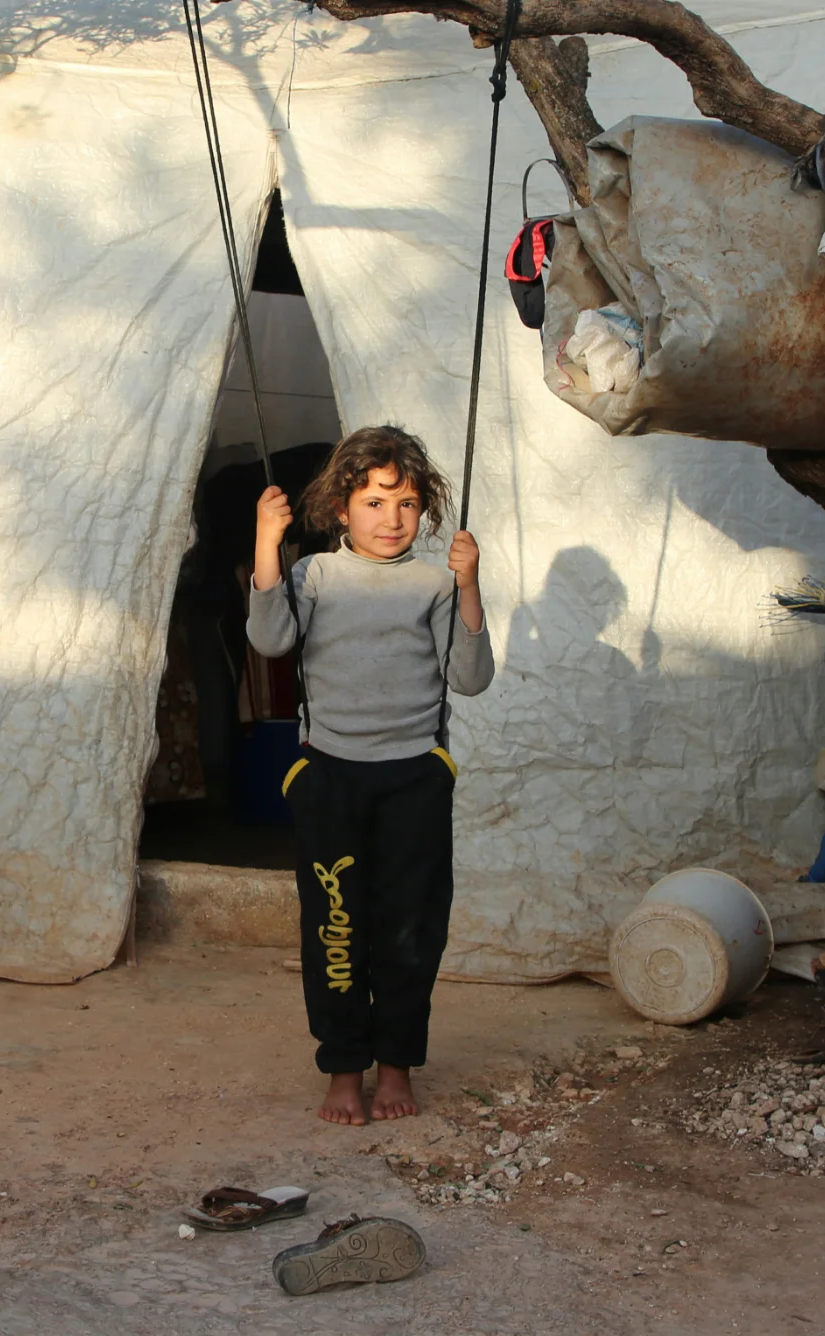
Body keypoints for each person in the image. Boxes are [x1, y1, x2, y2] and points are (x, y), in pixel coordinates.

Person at [247, 425, 495, 1126]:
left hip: (414, 778)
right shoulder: (314, 576)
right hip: (332, 778)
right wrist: (267, 541)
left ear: (425, 510)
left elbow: (470, 678)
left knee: (411, 931)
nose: (392, 519)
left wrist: (469, 585)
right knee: (336, 929)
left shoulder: (433, 583)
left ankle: (396, 1067)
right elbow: (270, 639)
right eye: (375, 502)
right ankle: (344, 1068)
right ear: (341, 507)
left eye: (407, 504)